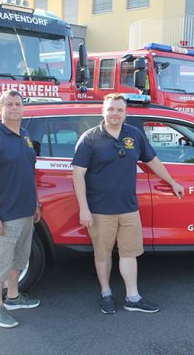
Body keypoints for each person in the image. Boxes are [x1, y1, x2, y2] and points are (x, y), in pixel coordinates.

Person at [72, 93, 184, 314]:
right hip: (100, 210)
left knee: (129, 253)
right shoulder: (90, 138)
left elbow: (152, 160)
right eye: (111, 109)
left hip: (129, 208)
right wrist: (84, 208)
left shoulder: (133, 134)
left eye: (119, 110)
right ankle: (106, 294)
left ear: (125, 113)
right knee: (102, 255)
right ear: (102, 111)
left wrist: (172, 182)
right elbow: (77, 175)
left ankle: (132, 297)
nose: (115, 113)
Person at [0, 90, 41, 328]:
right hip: (5, 215)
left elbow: (29, 172)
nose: (14, 108)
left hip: (26, 212)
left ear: (23, 109)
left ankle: (13, 297)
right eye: (9, 104)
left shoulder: (24, 135)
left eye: (18, 104)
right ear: (0, 109)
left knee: (19, 259)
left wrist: (35, 203)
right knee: (0, 264)